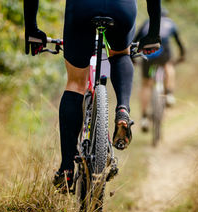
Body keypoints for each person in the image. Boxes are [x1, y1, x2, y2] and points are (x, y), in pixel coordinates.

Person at [24, 0, 162, 191]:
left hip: (82, 7)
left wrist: (32, 28)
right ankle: (122, 109)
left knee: (75, 83)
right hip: (122, 8)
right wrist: (153, 33)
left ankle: (66, 169)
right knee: (121, 54)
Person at [134, 9, 185, 132]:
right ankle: (169, 94)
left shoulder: (147, 22)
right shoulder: (170, 23)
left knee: (146, 84)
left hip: (148, 52)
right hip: (163, 49)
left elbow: (135, 41)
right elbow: (179, 43)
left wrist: (133, 59)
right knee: (168, 65)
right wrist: (182, 55)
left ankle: (144, 118)